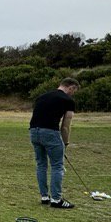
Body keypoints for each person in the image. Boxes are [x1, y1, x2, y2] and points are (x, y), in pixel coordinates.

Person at [29, 77, 80, 209]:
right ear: (71, 87)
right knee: (57, 166)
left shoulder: (41, 97)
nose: (73, 94)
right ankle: (56, 199)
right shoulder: (68, 101)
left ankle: (44, 196)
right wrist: (65, 142)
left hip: (34, 132)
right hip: (50, 132)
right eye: (74, 91)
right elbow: (65, 126)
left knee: (41, 165)